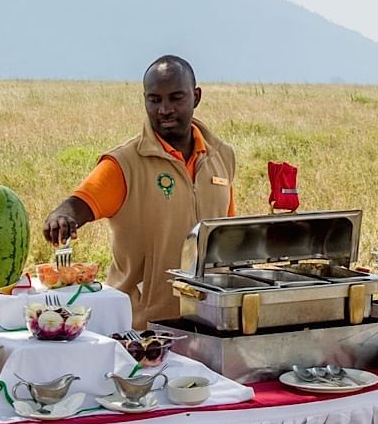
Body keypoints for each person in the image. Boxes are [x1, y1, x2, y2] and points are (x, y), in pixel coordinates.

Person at [43, 55, 237, 328]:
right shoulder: (124, 163)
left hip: (210, 322)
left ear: (196, 96)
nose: (164, 109)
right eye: (154, 99)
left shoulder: (222, 156)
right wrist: (61, 216)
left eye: (176, 98)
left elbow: (227, 235)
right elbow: (78, 203)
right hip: (141, 329)